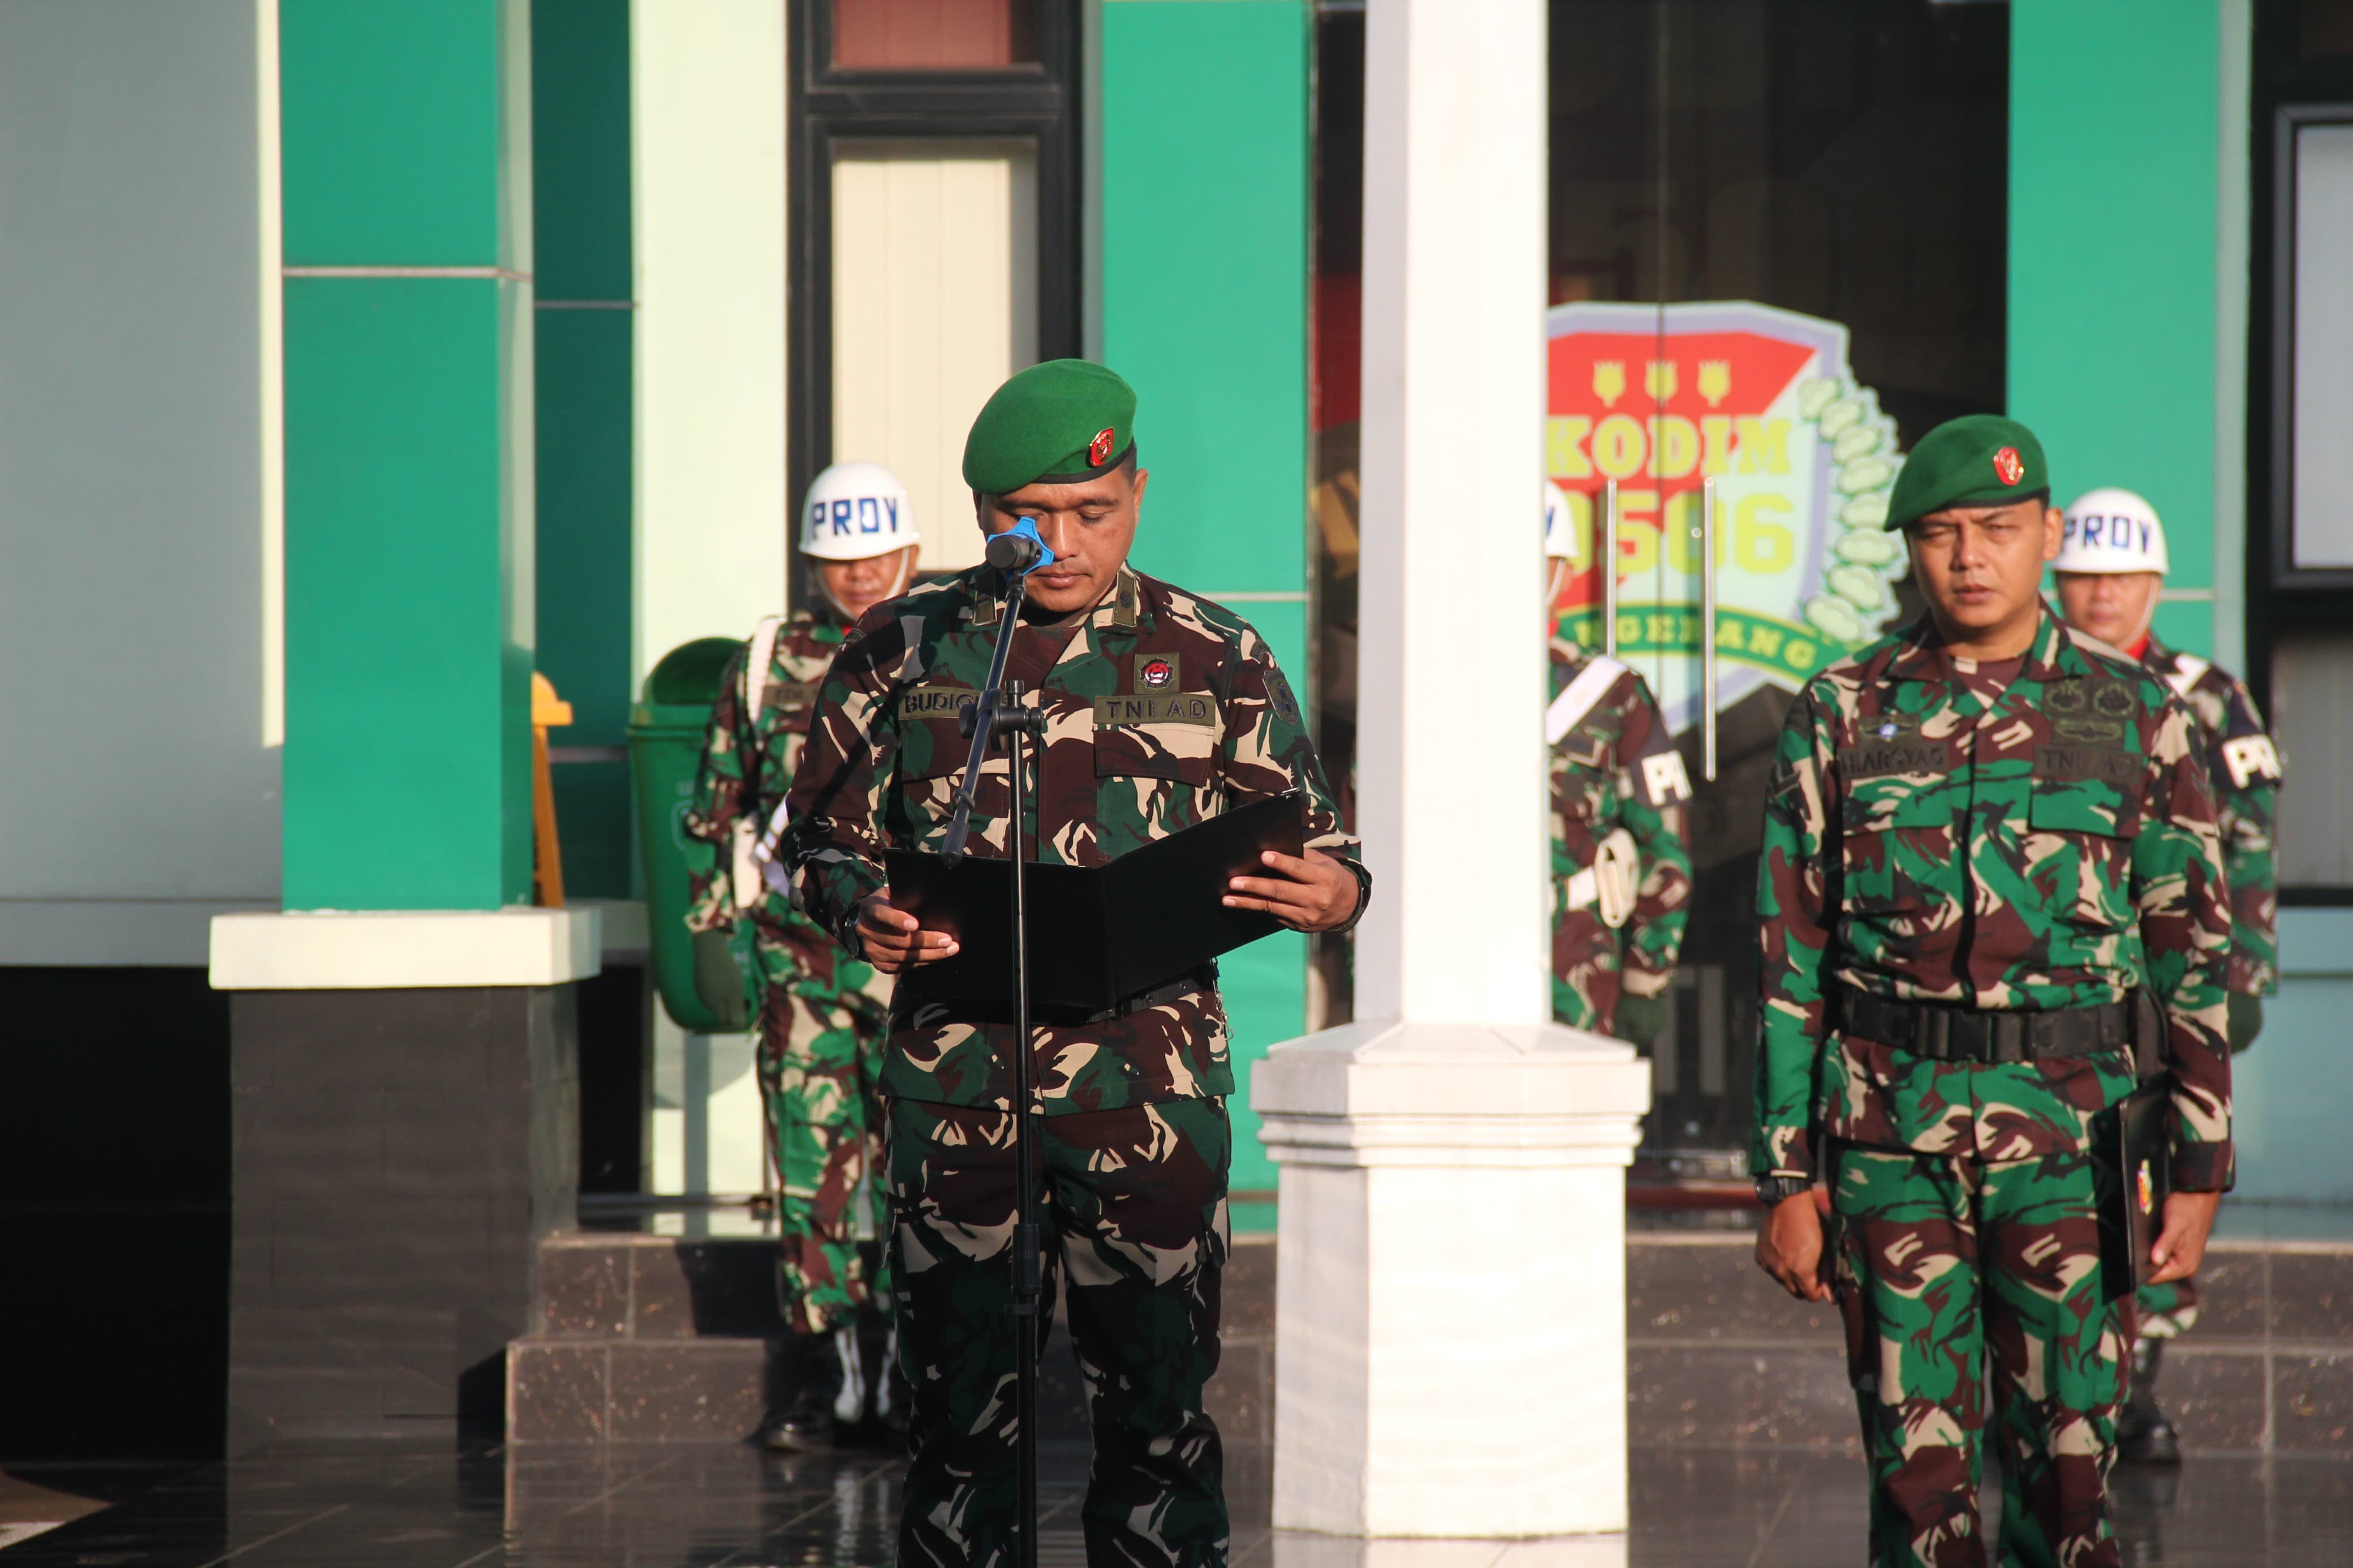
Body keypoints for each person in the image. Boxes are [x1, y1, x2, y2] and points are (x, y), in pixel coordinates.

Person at [781, 359, 1366, 1568]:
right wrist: (864, 910)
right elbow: (821, 840)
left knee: (1157, 1418)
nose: (1058, 542)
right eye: (1027, 516)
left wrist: (1340, 893)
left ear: (1137, 494)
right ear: (984, 516)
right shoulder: (905, 647)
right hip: (956, 1089)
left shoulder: (1214, 652)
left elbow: (1324, 846)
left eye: (1090, 513)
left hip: (1144, 1091)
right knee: (955, 1423)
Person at [1749, 415, 2234, 1567]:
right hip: (1887, 1140)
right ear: (1910, 550)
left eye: (2000, 530)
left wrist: (2201, 1167)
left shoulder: (2138, 714)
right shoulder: (1842, 710)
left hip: (2077, 1140)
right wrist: (1781, 1175)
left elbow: (2190, 956)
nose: (1971, 557)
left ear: (2047, 534)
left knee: (2070, 1475)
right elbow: (1786, 954)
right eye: (1941, 533)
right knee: (1913, 1488)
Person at [682, 460, 921, 1452]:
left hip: (927, 967)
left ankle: (922, 1375)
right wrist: (714, 940)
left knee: (928, 1175)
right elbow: (712, 807)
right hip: (801, 967)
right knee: (815, 1172)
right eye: (837, 559)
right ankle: (829, 1378)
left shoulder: (957, 647)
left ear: (910, 549)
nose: (858, 576)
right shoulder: (769, 657)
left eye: (874, 555)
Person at [2055, 485, 2282, 1465]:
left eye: (2120, 576)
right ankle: (2047, 1381)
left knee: (2166, 1169)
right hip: (2071, 989)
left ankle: (2138, 1382)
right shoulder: (2038, 681)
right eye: (2083, 577)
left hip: (2179, 981)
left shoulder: (2207, 692)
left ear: (2155, 582)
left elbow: (2253, 844)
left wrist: (2247, 973)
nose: (2102, 596)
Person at [1542, 481, 1693, 1043]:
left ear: (1561, 569)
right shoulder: (1418, 691)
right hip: (1443, 978)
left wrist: (1644, 979)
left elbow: (1665, 846)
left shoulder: (1609, 693)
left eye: (1535, 564)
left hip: (1576, 970)